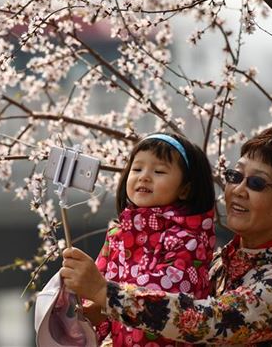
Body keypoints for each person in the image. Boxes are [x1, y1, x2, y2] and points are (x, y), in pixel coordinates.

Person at [61, 125, 272, 345]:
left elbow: (212, 321)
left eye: (257, 183)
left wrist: (104, 292)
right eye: (234, 176)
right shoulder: (215, 265)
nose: (238, 190)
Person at [86, 133, 216, 346]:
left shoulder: (190, 239)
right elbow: (98, 287)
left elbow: (168, 296)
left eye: (159, 171)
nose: (144, 176)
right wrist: (90, 307)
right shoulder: (116, 236)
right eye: (137, 169)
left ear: (185, 189)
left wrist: (104, 294)